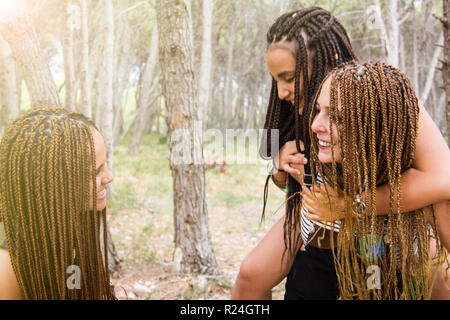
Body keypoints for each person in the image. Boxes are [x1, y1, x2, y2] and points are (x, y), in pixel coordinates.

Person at [231, 7, 450, 300]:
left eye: (288, 77)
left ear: (323, 60)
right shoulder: (300, 107)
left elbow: (442, 178)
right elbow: (290, 183)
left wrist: (350, 205)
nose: (282, 91)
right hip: (318, 216)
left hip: (389, 218)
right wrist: (283, 166)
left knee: (436, 278)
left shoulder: (382, 97)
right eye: (276, 81)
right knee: (250, 275)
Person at [303, 61, 447, 299]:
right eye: (319, 110)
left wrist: (349, 207)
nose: (316, 125)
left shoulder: (428, 203)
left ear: (377, 125)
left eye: (336, 117)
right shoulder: (329, 173)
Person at [0, 107, 115, 300]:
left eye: (104, 165)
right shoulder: (6, 267)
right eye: (94, 172)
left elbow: (73, 281)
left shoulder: (65, 225)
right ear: (49, 183)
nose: (108, 178)